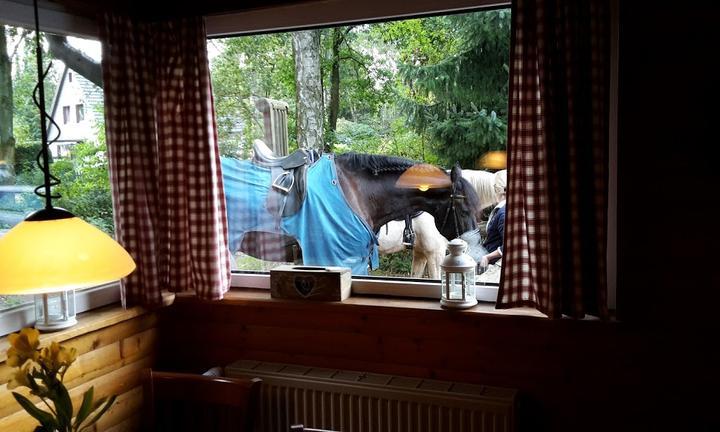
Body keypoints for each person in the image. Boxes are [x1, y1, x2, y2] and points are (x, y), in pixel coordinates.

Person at [479, 170, 506, 269]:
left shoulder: (503, 213)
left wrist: (487, 257)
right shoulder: (501, 210)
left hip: (494, 264)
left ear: (497, 189)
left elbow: (507, 246)